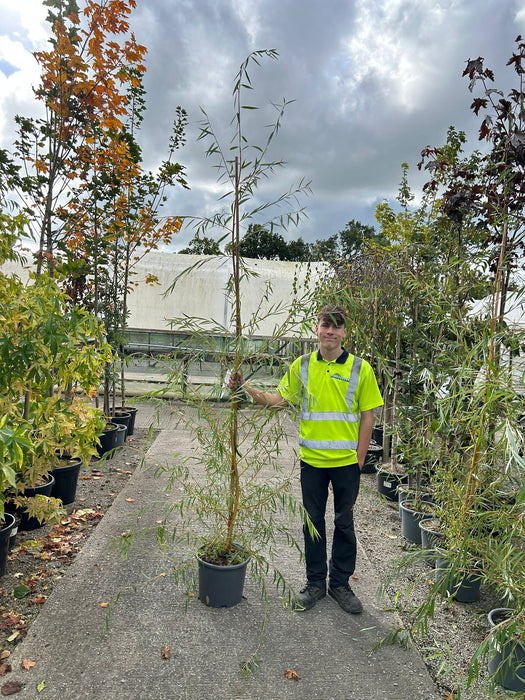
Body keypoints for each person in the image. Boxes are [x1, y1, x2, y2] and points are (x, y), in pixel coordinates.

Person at [229, 304, 383, 614]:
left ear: (344, 332)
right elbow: (276, 400)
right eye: (326, 324)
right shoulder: (302, 366)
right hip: (312, 461)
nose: (330, 330)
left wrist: (359, 458)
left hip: (345, 464)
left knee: (344, 523)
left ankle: (340, 584)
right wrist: (245, 387)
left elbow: (369, 416)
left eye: (337, 326)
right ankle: (315, 584)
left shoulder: (360, 369)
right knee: (312, 524)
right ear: (316, 328)